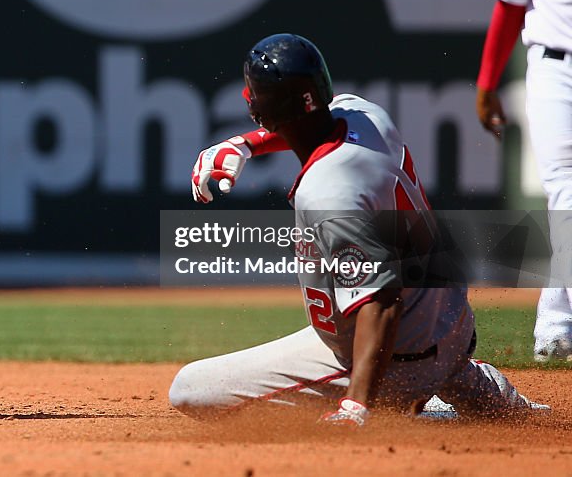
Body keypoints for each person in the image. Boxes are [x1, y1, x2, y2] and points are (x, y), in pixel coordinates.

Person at [173, 33, 547, 425]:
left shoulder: (328, 192)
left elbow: (381, 302)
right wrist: (245, 145)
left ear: (257, 110)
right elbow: (309, 117)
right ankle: (475, 387)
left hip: (398, 355)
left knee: (191, 390)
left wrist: (357, 407)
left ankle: (408, 403)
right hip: (451, 322)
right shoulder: (367, 117)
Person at [475, 0, 572, 362]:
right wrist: (488, 83)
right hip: (555, 68)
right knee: (565, 192)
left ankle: (554, 327)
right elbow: (508, 9)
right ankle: (555, 329)